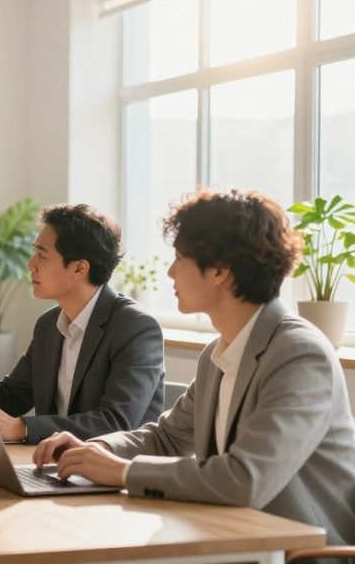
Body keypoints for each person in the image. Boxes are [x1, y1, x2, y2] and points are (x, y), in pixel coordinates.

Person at [33, 189, 355, 549]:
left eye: (180, 257)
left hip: (298, 553)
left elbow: (245, 478)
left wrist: (121, 471)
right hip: (232, 538)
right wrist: (93, 448)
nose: (170, 270)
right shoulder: (220, 352)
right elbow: (165, 437)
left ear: (220, 271)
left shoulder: (299, 354)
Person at [0, 204, 164, 444]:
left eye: (42, 255)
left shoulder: (136, 328)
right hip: (53, 465)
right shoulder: (48, 325)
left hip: (116, 472)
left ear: (79, 268)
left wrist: (24, 428)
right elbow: (13, 398)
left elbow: (115, 422)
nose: (30, 265)